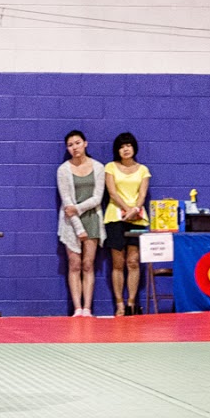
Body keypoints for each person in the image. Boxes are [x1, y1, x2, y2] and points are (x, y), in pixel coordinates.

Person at [57, 129, 104, 317]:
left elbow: (97, 198)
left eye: (77, 143)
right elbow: (67, 202)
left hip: (92, 218)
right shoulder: (63, 170)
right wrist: (78, 226)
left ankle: (87, 308)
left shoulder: (99, 168)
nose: (74, 147)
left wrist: (79, 209)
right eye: (70, 145)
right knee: (74, 264)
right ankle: (77, 308)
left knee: (88, 264)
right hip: (71, 222)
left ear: (85, 143)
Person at [103, 132, 150, 316]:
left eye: (129, 145)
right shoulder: (110, 167)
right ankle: (120, 304)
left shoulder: (143, 170)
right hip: (115, 217)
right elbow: (112, 193)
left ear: (134, 148)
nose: (126, 149)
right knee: (118, 262)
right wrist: (125, 209)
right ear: (117, 150)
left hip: (137, 219)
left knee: (133, 261)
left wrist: (135, 210)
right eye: (122, 146)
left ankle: (131, 302)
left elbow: (142, 195)